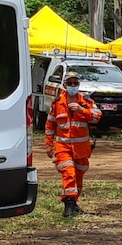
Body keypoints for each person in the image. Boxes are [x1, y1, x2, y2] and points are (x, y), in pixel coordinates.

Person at [45, 71, 102, 217]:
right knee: (68, 173)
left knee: (78, 177)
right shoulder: (57, 103)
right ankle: (68, 206)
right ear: (64, 85)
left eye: (75, 83)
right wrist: (49, 145)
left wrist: (82, 110)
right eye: (69, 83)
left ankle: (74, 203)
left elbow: (97, 117)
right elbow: (50, 125)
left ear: (79, 84)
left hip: (81, 149)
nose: (72, 86)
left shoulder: (86, 101)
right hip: (63, 147)